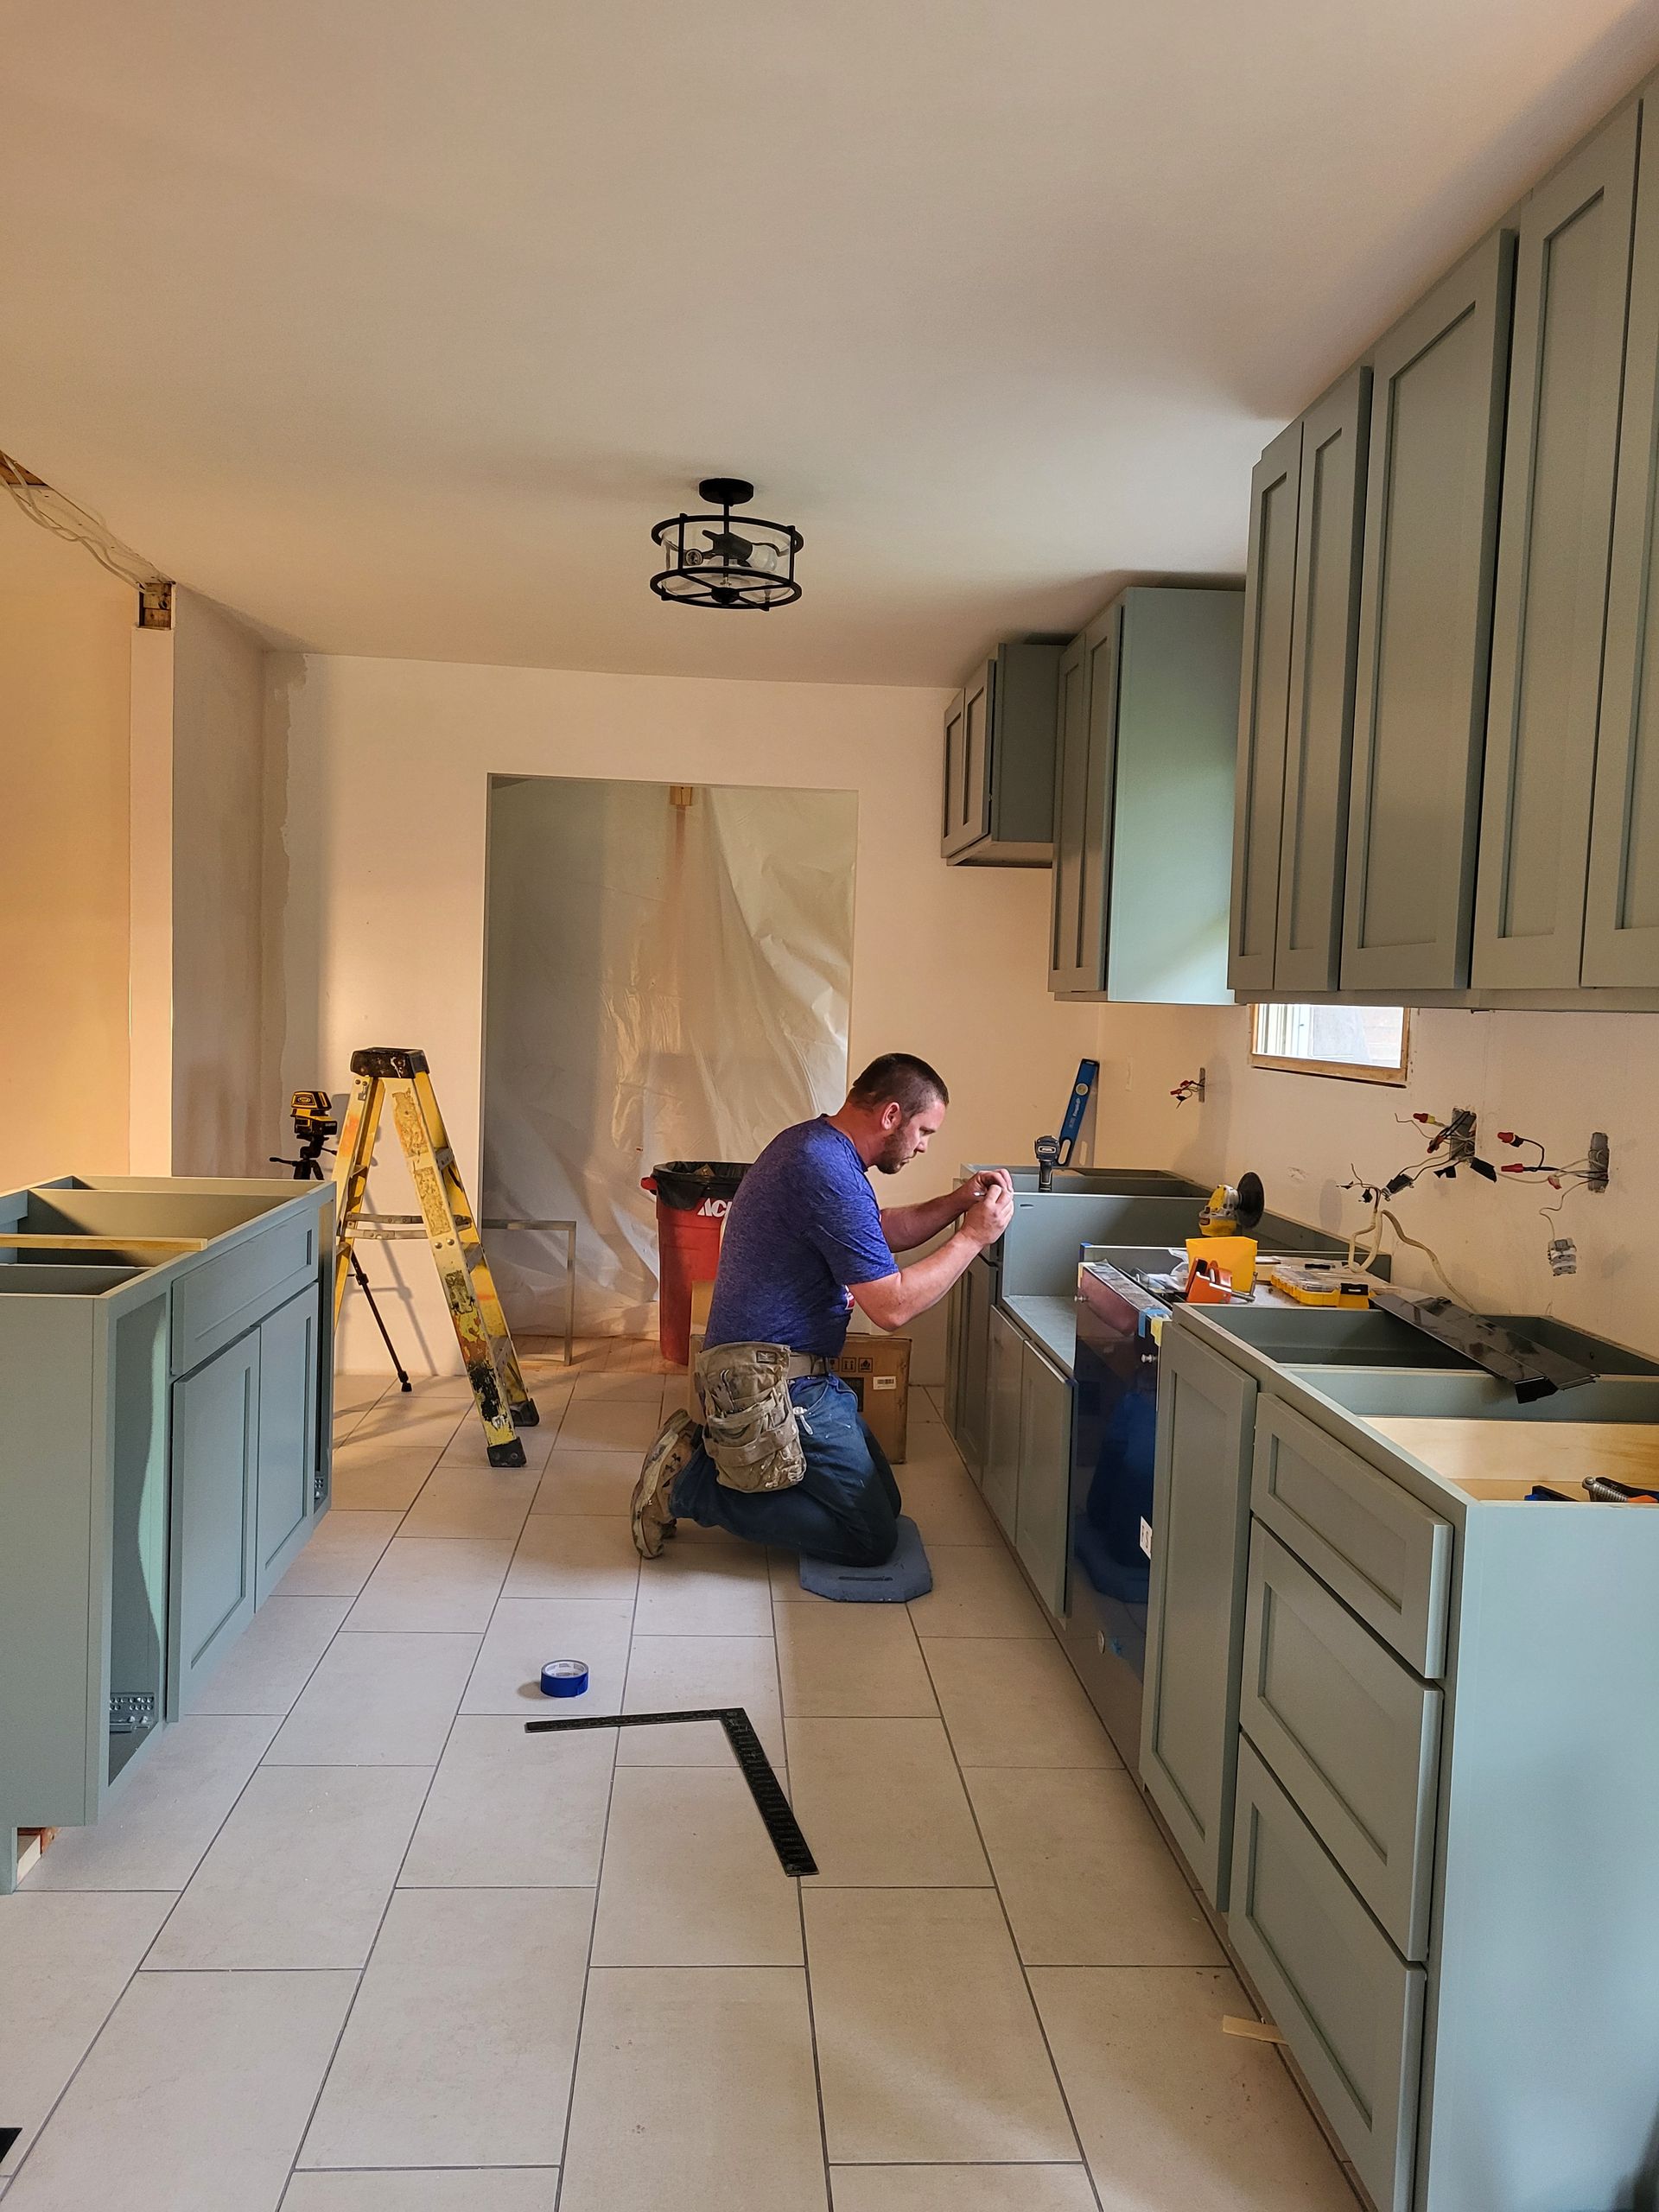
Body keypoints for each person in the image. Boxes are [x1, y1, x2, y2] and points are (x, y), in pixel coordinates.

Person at [629, 1052, 1014, 1566]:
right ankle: (690, 1485)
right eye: (924, 1131)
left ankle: (732, 1466)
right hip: (773, 1381)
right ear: (891, 1115)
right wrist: (973, 1237)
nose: (923, 1146)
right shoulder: (824, 1168)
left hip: (788, 1368)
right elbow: (892, 1308)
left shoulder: (815, 1146)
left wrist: (957, 1203)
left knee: (887, 1504)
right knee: (871, 1539)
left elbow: (875, 1230)